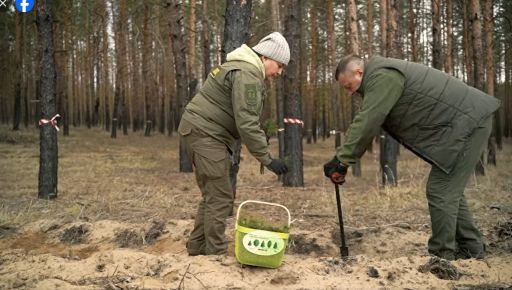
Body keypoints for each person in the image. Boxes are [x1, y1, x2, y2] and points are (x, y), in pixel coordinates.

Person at [323, 54, 500, 260]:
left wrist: (342, 160)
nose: (349, 93)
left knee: (440, 190)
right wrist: (343, 157)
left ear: (359, 72)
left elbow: (369, 119)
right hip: (466, 122)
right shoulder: (381, 75)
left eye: (348, 86)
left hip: (468, 123)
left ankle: (441, 257)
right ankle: (472, 248)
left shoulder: (383, 76)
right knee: (449, 190)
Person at [178, 32, 290, 256]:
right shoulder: (248, 73)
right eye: (278, 65)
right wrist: (267, 159)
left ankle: (197, 248)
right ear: (266, 57)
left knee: (213, 194)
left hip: (200, 131)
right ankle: (215, 253)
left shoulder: (242, 68)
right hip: (205, 134)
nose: (279, 72)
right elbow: (247, 123)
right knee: (220, 196)